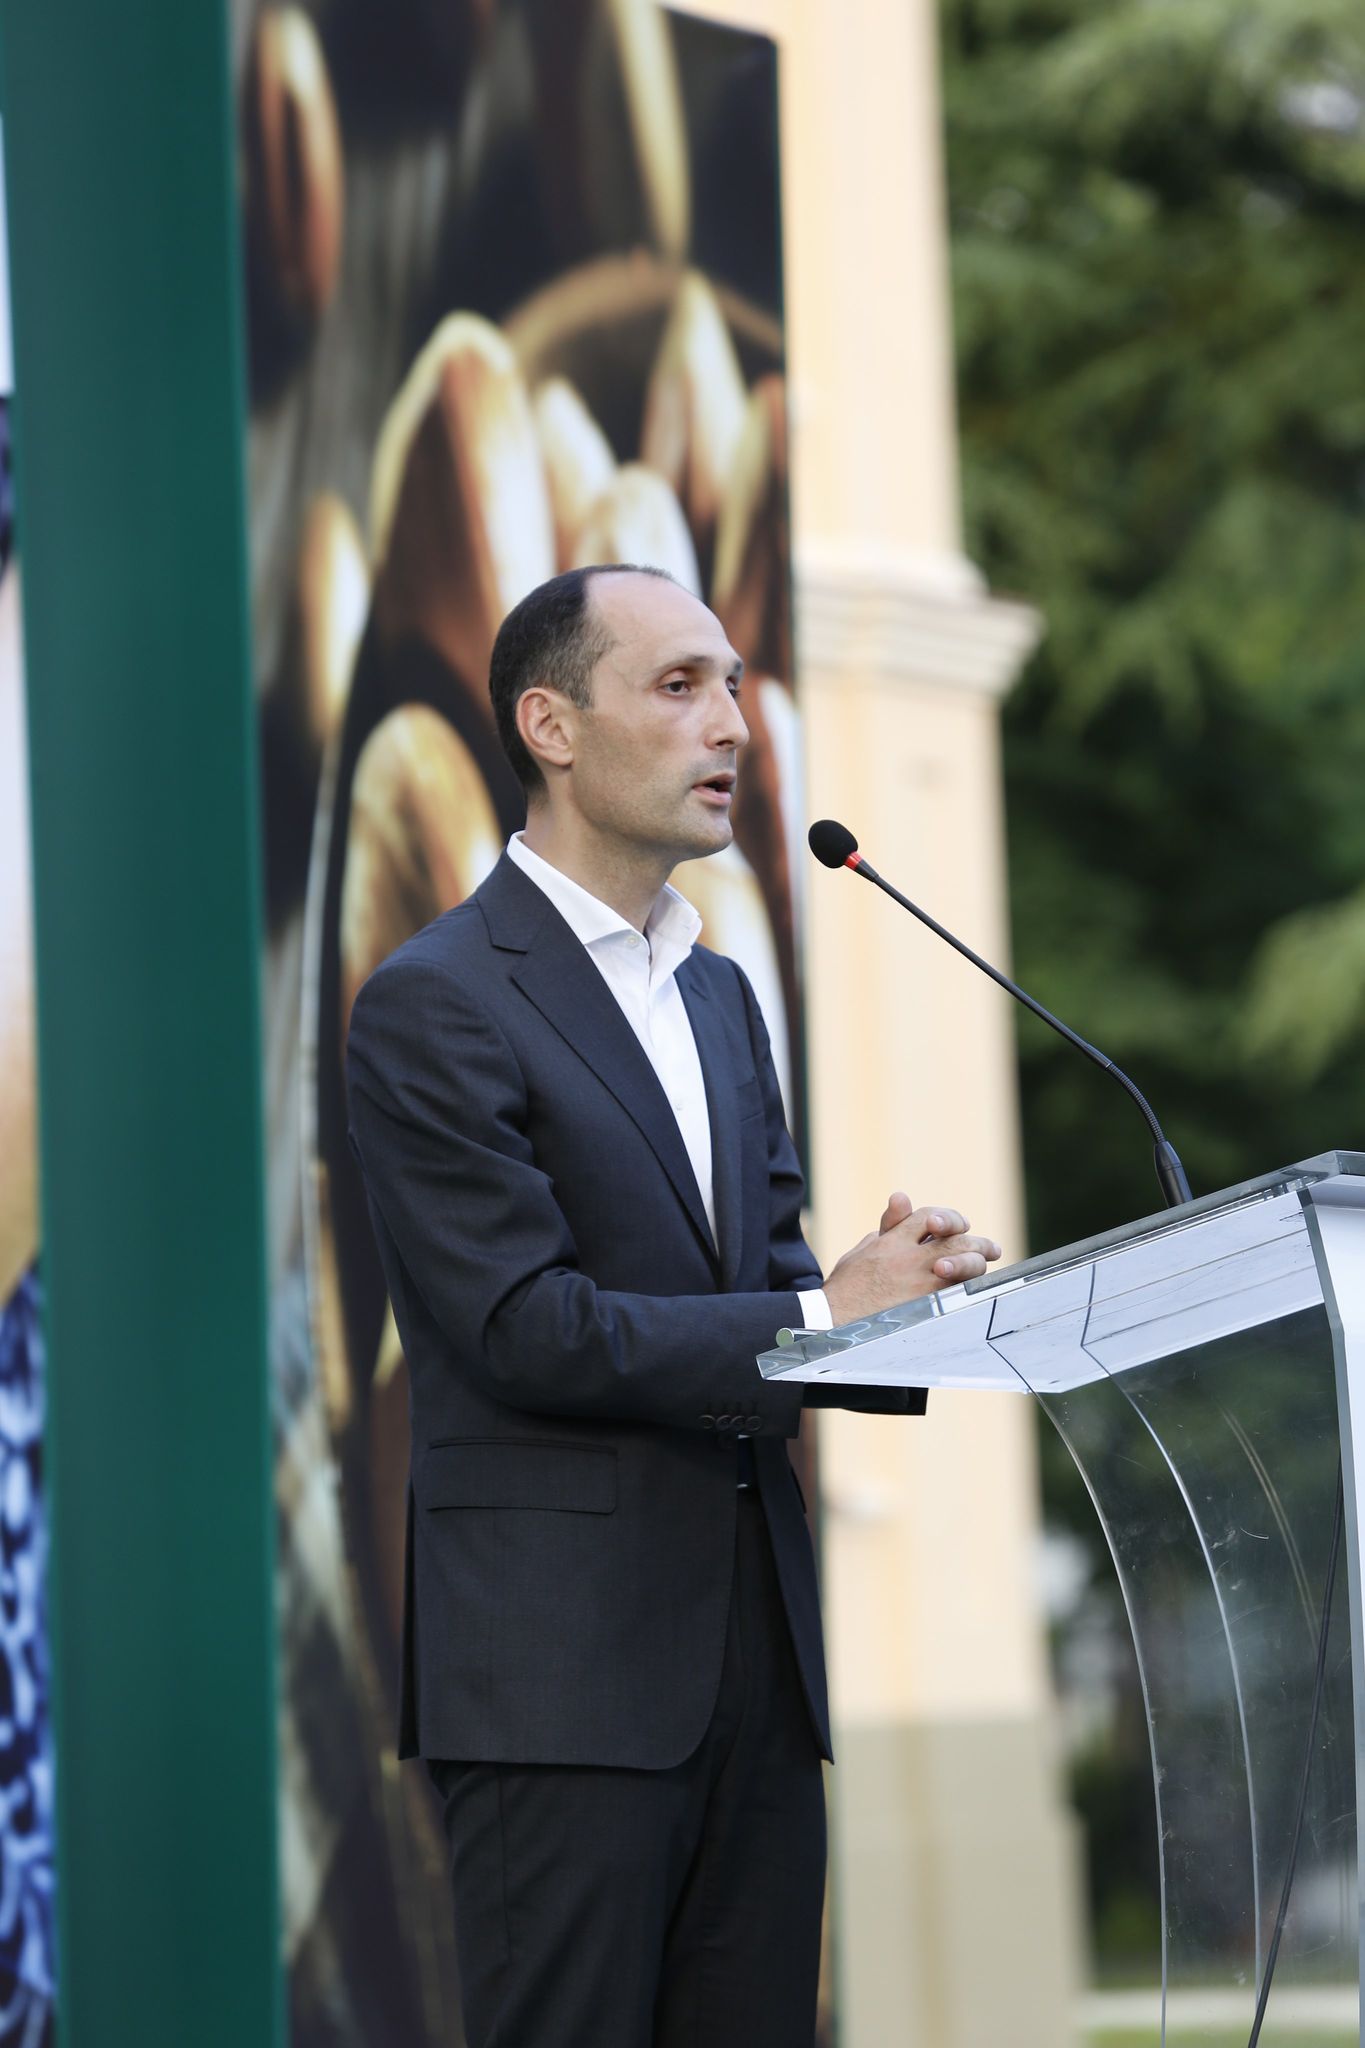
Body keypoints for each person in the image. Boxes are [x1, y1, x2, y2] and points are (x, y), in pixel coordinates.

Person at [345, 563, 1001, 2048]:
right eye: (678, 686)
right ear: (551, 727)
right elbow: (523, 1328)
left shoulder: (717, 996)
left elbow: (771, 1283)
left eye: (733, 687)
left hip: (758, 1676)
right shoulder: (438, 999)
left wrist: (904, 1298)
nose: (733, 726)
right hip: (561, 1685)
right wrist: (823, 1313)